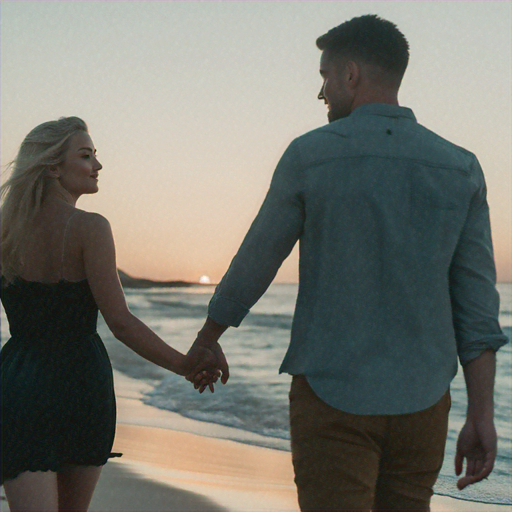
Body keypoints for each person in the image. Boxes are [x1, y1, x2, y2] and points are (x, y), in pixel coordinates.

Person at [187, 14, 509, 512]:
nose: (322, 92)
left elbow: (257, 259)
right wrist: (482, 415)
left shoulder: (310, 156)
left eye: (325, 76)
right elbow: (476, 304)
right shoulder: (459, 166)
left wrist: (209, 337)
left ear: (351, 74)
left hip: (330, 393)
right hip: (423, 401)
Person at [0, 117, 218, 512]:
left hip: (18, 383)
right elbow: (121, 322)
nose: (98, 165)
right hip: (81, 382)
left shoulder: (4, 234)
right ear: (52, 166)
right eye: (86, 156)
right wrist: (184, 365)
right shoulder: (91, 228)